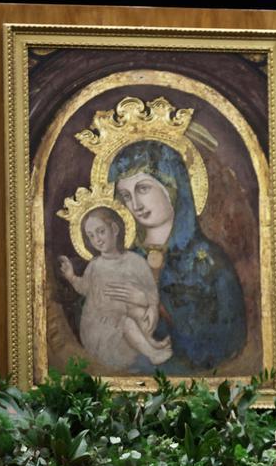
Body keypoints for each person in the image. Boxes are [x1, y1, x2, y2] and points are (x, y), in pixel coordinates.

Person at [107, 140, 247, 372]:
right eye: (126, 195)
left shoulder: (209, 262)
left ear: (172, 186)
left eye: (143, 189)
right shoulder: (124, 259)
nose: (136, 204)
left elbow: (228, 339)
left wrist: (156, 304)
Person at [58, 207, 173, 369]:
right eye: (91, 236)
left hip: (126, 322)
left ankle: (152, 343)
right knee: (126, 321)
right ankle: (152, 353)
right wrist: (71, 277)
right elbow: (84, 288)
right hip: (100, 328)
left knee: (139, 313)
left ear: (115, 229)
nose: (97, 239)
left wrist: (152, 307)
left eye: (101, 231)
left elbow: (150, 291)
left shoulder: (135, 261)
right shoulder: (95, 266)